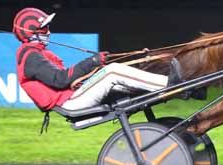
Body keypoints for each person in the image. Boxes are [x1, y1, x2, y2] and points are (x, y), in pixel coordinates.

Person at [14, 7, 168, 112]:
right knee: (112, 71)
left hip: (73, 96)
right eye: (44, 28)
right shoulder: (30, 56)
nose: (48, 31)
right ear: (31, 32)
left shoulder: (34, 53)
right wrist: (93, 61)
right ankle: (169, 84)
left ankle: (174, 89)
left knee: (118, 78)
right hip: (70, 103)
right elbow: (60, 80)